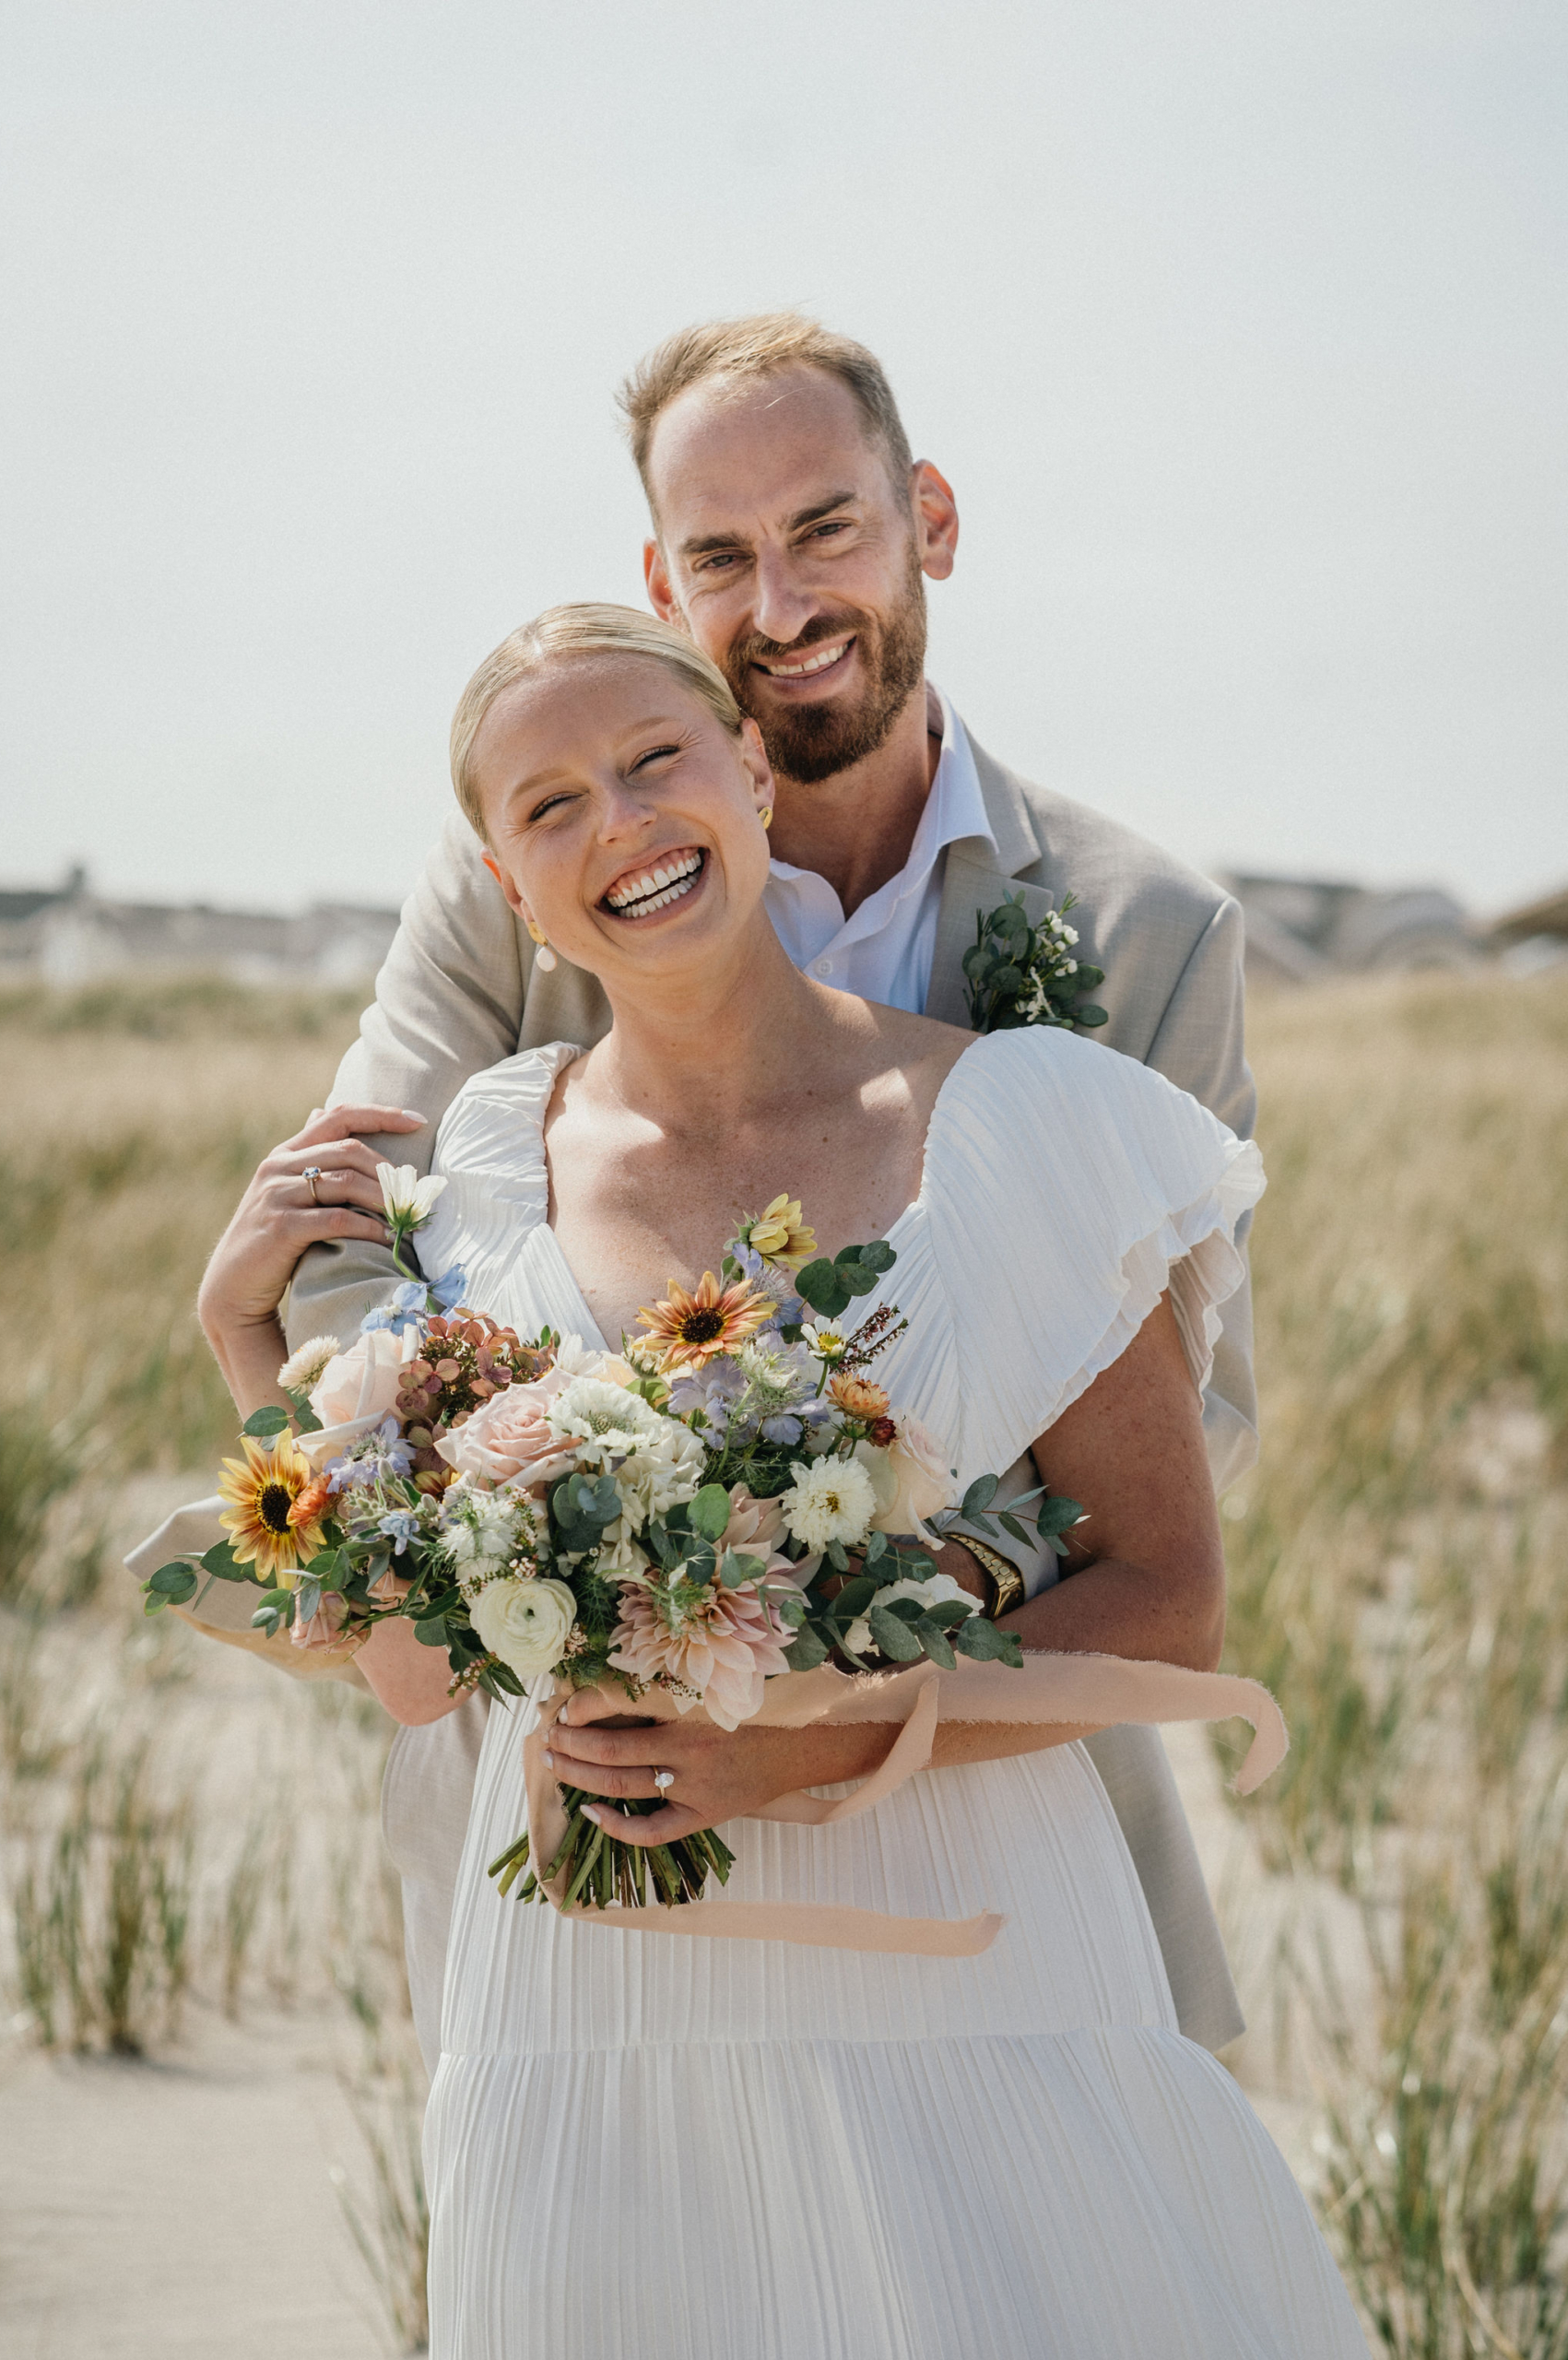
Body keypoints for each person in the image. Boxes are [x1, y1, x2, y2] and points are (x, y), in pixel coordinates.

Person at [200, 604, 1362, 2358]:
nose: (621, 824)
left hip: (974, 1972)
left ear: (750, 768)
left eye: (656, 759)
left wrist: (808, 1740)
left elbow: (1170, 1601)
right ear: (509, 891)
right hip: (594, 2019)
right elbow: (413, 1672)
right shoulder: (480, 1185)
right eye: (549, 805)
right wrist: (243, 1351)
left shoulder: (1031, 1124)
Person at [199, 313, 1256, 2069]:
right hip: (577, 1807)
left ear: (928, 514)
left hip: (979, 1793)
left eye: (827, 528)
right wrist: (579, 1572)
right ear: (660, 574)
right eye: (721, 555)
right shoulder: (535, 868)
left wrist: (801, 1635)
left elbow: (1187, 1425)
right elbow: (350, 1258)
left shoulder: (1144, 932)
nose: (780, 605)